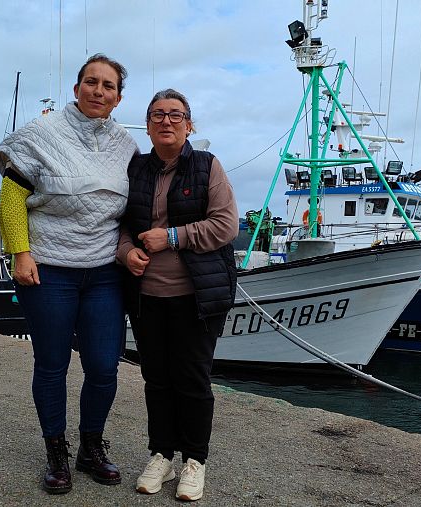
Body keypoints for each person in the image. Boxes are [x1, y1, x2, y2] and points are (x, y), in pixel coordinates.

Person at [0, 53, 138, 495]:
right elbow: (11, 195)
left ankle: (90, 446)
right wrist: (20, 252)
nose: (98, 91)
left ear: (118, 97)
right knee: (52, 364)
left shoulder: (126, 146)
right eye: (90, 82)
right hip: (49, 268)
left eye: (108, 85)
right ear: (76, 89)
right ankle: (56, 450)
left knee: (103, 366)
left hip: (104, 272)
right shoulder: (42, 133)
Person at [117, 89, 238, 501]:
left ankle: (195, 460)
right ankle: (161, 454)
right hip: (146, 295)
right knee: (156, 379)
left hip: (195, 295)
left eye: (175, 115)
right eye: (157, 115)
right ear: (147, 125)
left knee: (192, 379)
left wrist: (172, 237)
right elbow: (121, 225)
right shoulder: (136, 169)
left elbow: (225, 226)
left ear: (189, 124)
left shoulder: (207, 166)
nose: (166, 121)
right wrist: (126, 251)